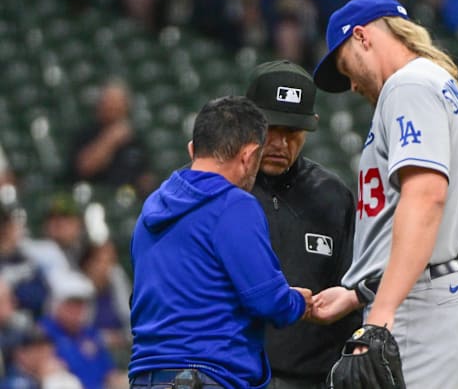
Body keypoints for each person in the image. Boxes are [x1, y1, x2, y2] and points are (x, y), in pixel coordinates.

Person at [311, 0, 458, 388]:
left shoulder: (408, 85)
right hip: (445, 295)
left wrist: (380, 316)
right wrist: (360, 294)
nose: (353, 85)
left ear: (362, 37)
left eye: (346, 69)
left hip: (422, 307)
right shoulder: (447, 92)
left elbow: (426, 198)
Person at [128, 96, 313, 388]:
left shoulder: (151, 207)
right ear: (250, 155)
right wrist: (299, 303)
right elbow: (267, 300)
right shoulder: (233, 205)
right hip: (205, 375)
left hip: (146, 375)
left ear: (192, 150)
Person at [244, 60, 360, 389]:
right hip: (235, 375)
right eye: (271, 129)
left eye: (292, 132)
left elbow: (350, 287)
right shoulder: (223, 187)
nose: (281, 144)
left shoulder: (332, 195)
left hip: (314, 379)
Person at [68, 79, 155, 196]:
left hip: (129, 199)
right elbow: (84, 168)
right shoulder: (87, 134)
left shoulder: (135, 139)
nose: (113, 107)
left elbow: (145, 175)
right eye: (109, 102)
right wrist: (111, 139)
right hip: (95, 197)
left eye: (117, 103)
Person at [40, 270, 124, 389]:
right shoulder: (43, 333)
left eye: (80, 305)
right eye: (70, 304)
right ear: (56, 304)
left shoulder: (90, 333)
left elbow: (110, 374)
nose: (76, 311)